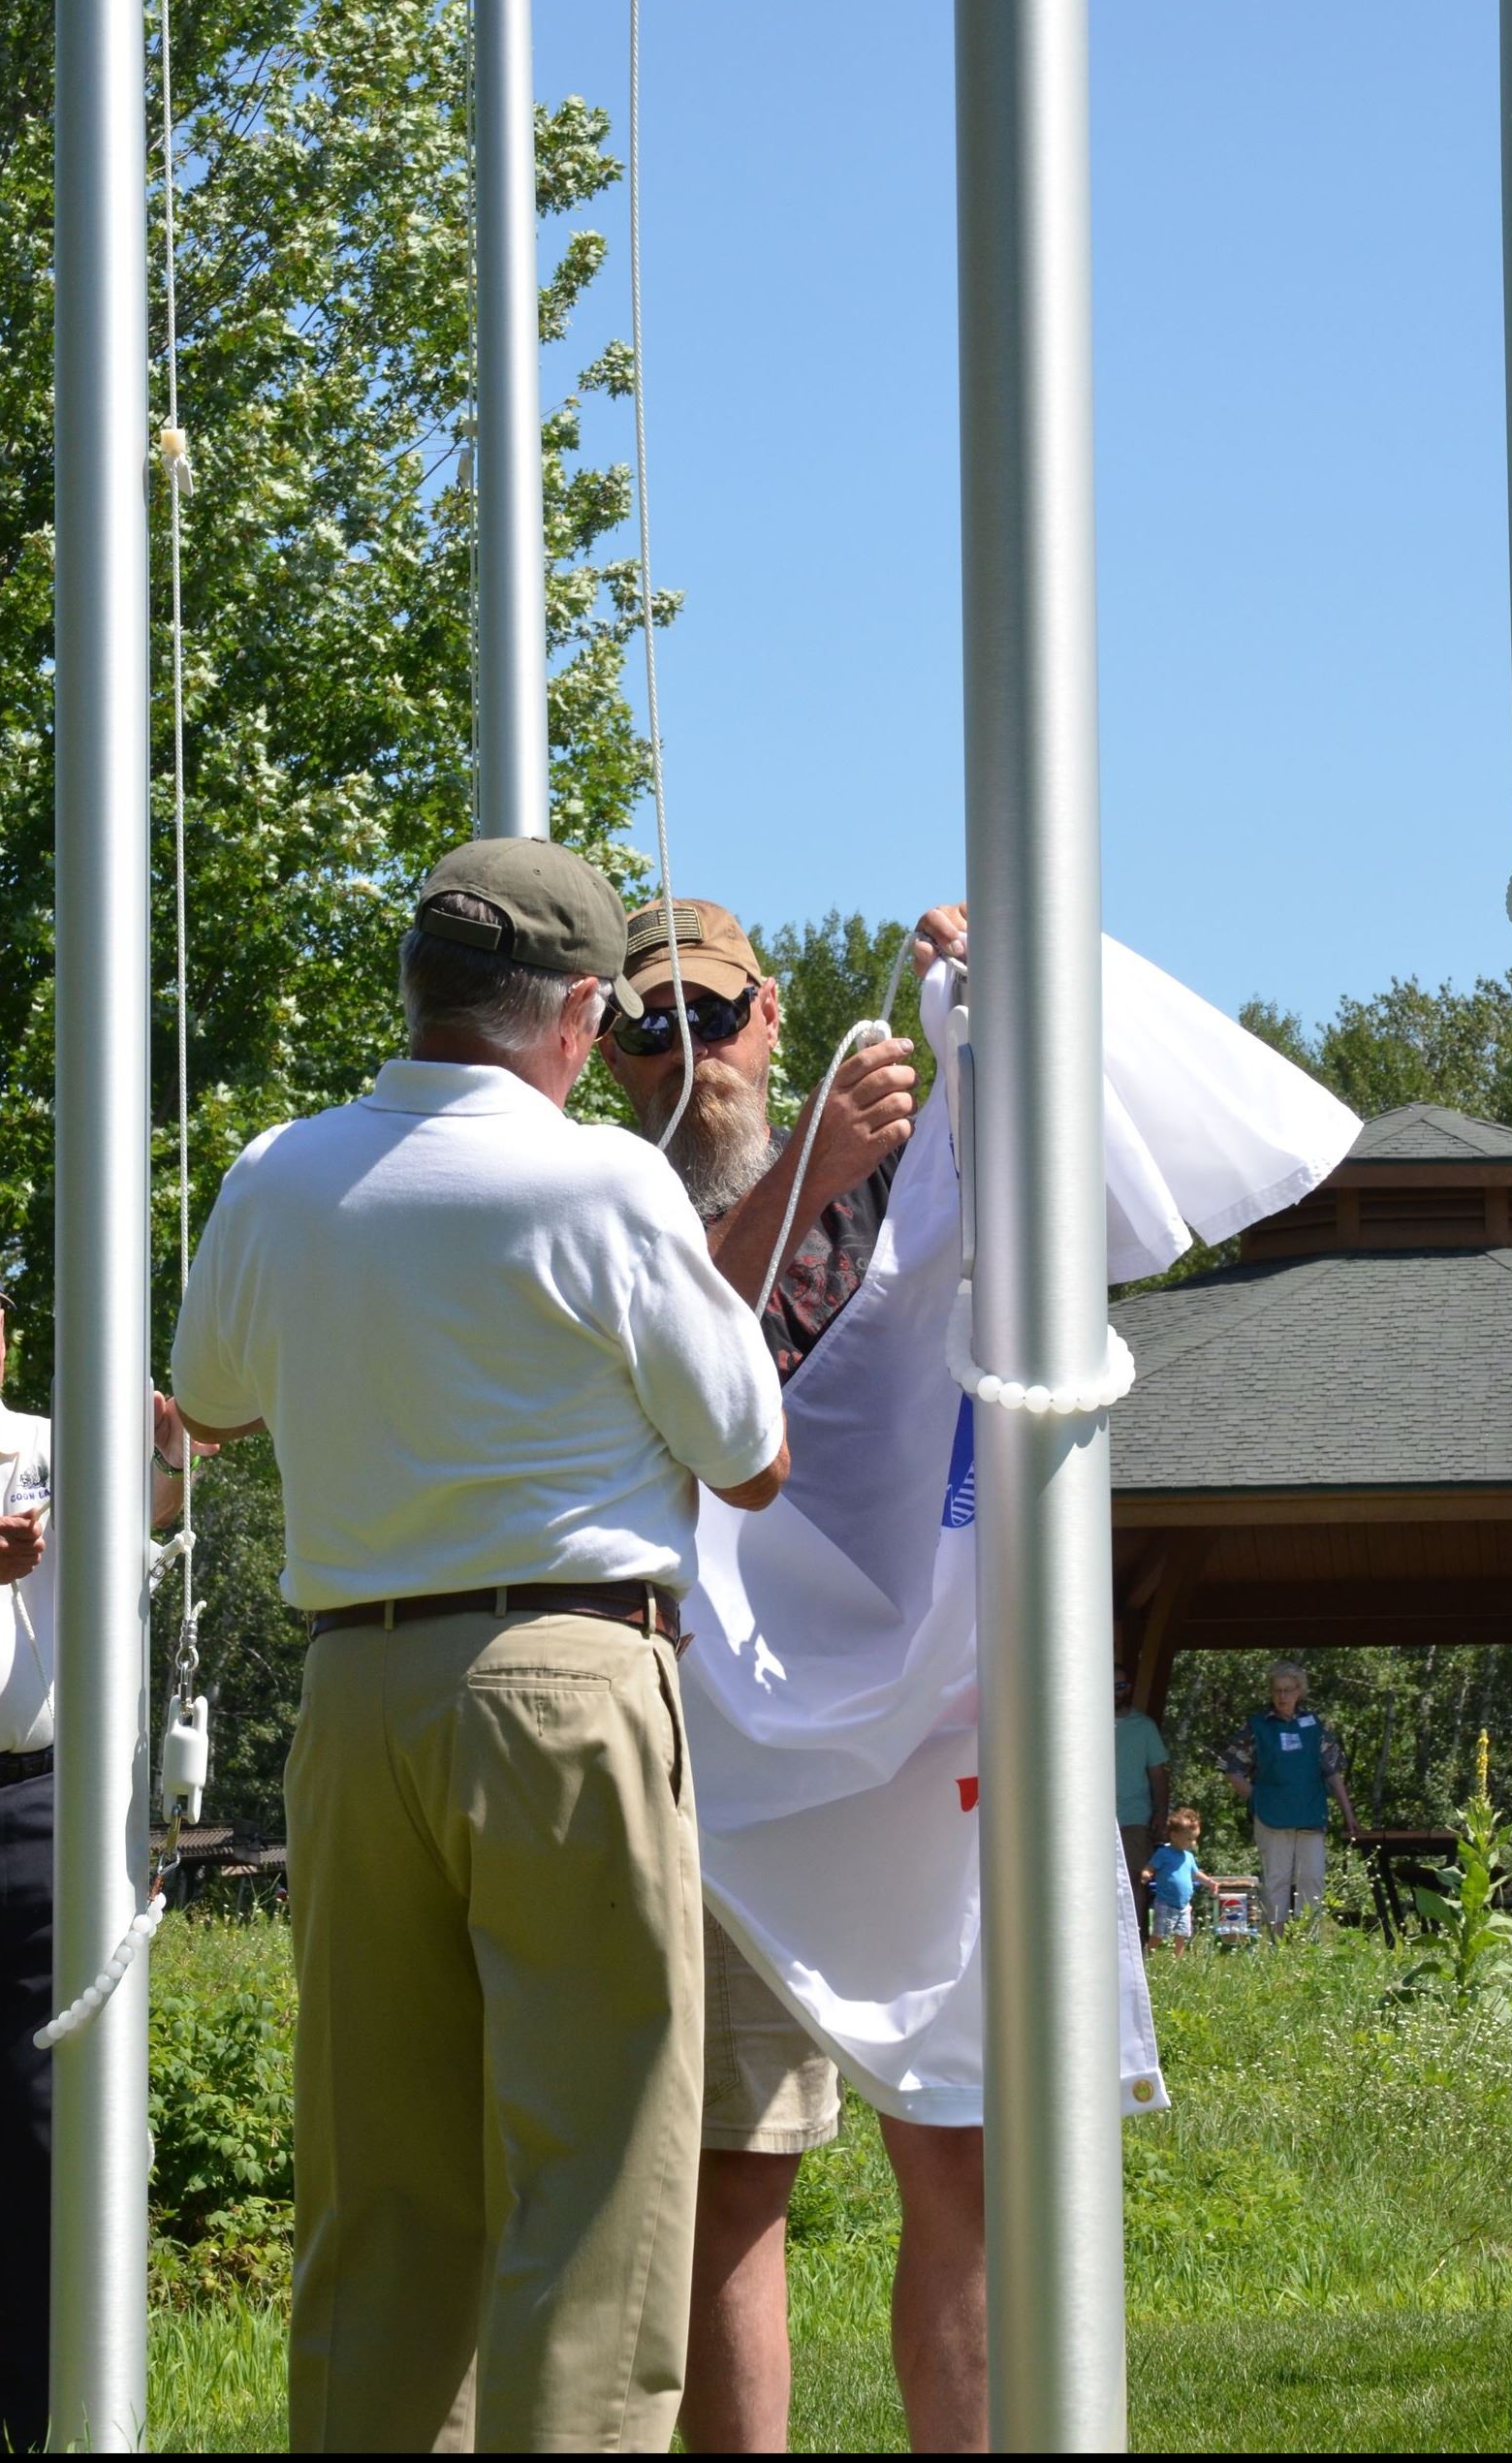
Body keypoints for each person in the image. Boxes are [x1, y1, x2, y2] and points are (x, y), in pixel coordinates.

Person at [173, 838, 789, 2456]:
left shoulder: (275, 1169)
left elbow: (214, 1400)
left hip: (352, 1689)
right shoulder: (601, 1180)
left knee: (381, 2181)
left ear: (419, 988)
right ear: (583, 1011)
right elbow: (750, 1454)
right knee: (595, 2174)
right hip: (569, 1684)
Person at [599, 895, 986, 2457]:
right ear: (604, 1054)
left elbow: (1049, 1177)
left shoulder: (901, 1165)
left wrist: (985, 988)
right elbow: (664, 1355)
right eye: (650, 1024)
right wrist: (807, 1173)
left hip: (920, 1734)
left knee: (957, 2157)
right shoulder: (597, 1201)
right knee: (730, 2176)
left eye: (715, 1014)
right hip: (724, 1750)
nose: (689, 1051)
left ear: (775, 1017)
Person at [0, 1230, 194, 2453]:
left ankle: (24, 2429)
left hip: (41, 1807)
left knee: (39, 2128)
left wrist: (173, 1454)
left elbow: (154, 1528)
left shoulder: (49, 1440)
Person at [1220, 1661, 1362, 1934]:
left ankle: (1309, 1942)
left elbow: (1333, 1772)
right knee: (1277, 1879)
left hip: (1310, 1812)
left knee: (1312, 1878)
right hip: (1271, 1817)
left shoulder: (1314, 1727)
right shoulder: (1257, 1726)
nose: (1282, 1696)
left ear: (1300, 1692)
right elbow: (1232, 1769)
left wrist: (1349, 1814)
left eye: (1288, 1690)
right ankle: (1278, 1945)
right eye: (1277, 1691)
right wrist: (1257, 1797)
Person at [1115, 1663, 1170, 1923]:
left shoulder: (1144, 1726)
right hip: (1090, 1818)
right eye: (1111, 1686)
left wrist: (1161, 1812)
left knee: (1135, 1878)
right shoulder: (1082, 1722)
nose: (1116, 1692)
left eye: (1121, 1686)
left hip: (1134, 1816)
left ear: (1129, 1689)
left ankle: (1135, 1943)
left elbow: (1158, 1775)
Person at [1141, 1807, 1218, 1955]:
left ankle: (1177, 1962)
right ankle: (1147, 1955)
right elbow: (1151, 1866)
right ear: (1174, 1836)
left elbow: (1195, 1874)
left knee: (1182, 1935)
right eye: (1189, 1839)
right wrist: (1146, 1873)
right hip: (1166, 1902)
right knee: (1159, 1934)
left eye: (1195, 1839)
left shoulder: (1188, 1857)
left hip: (1184, 1905)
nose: (1193, 1843)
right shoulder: (1164, 1853)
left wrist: (1209, 1882)